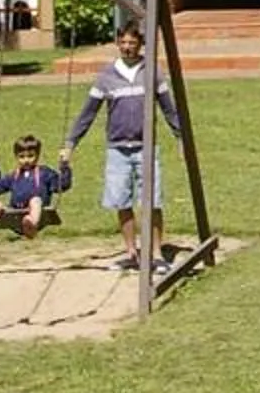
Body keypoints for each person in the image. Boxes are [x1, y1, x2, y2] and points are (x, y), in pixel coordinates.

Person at [64, 22, 186, 271]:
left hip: (146, 147)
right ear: (117, 43)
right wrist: (71, 143)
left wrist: (180, 137)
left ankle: (156, 254)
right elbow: (88, 113)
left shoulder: (152, 71)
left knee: (152, 201)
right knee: (121, 201)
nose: (128, 48)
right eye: (124, 43)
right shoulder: (106, 76)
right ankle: (131, 252)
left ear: (140, 44)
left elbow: (169, 109)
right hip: (117, 147)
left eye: (133, 43)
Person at [0, 134, 69, 238]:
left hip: (39, 215)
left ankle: (32, 224)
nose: (26, 160)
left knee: (35, 200)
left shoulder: (44, 173)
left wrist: (64, 165)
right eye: (21, 157)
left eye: (30, 156)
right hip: (15, 214)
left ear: (38, 155)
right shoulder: (14, 176)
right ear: (16, 157)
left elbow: (62, 185)